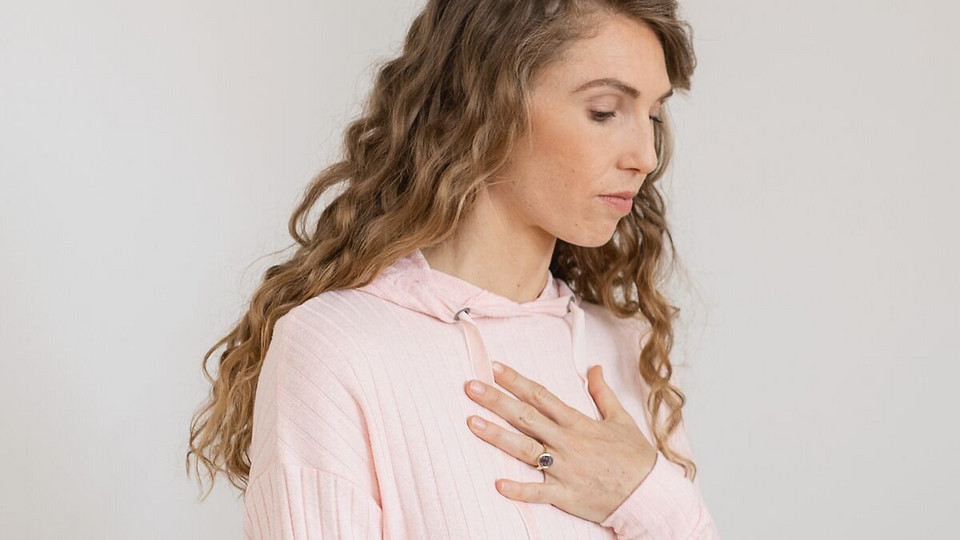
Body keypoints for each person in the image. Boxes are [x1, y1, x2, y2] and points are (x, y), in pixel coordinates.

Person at [186, 0, 722, 538]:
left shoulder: (627, 348)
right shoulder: (337, 348)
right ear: (489, 105)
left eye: (653, 116)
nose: (647, 156)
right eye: (605, 111)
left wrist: (644, 495)